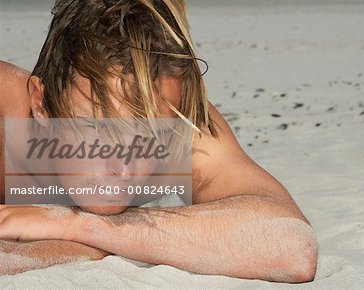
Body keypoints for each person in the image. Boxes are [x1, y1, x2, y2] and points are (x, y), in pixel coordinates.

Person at [0, 0, 318, 283]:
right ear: (40, 102)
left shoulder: (171, 114)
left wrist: (83, 228)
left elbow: (291, 246)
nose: (123, 168)